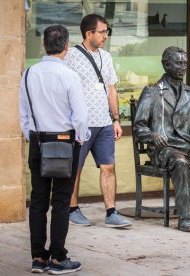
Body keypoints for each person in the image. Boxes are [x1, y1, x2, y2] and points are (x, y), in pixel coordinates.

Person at [133, 46, 190, 232]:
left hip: (188, 147)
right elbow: (138, 127)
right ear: (166, 65)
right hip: (164, 150)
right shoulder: (152, 92)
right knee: (180, 162)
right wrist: (152, 135)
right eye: (178, 63)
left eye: (184, 63)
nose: (182, 67)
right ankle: (185, 218)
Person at [20, 25, 88, 274]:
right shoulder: (70, 76)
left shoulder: (29, 74)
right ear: (67, 47)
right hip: (65, 142)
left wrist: (32, 136)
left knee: (38, 200)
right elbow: (80, 117)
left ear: (44, 46)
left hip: (38, 141)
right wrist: (79, 139)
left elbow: (24, 115)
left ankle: (38, 257)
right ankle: (58, 258)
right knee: (61, 201)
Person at [64, 14, 131, 228]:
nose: (106, 36)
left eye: (107, 31)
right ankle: (72, 209)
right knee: (76, 168)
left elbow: (111, 88)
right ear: (88, 33)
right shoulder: (71, 56)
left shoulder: (107, 57)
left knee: (109, 167)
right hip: (80, 125)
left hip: (104, 123)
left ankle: (111, 212)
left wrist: (116, 119)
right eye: (102, 32)